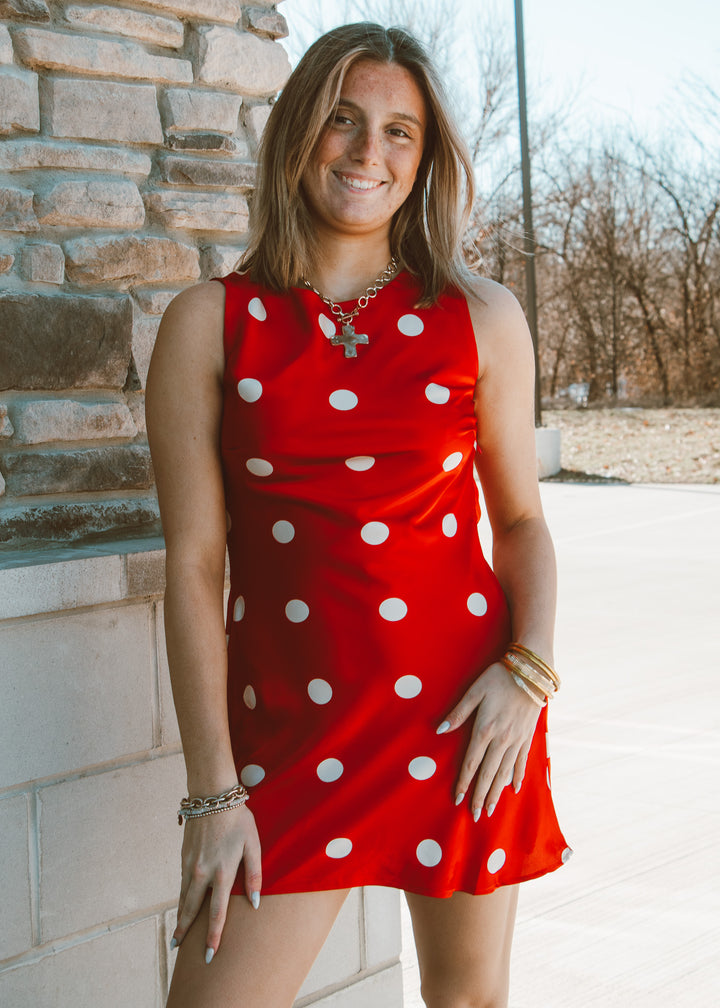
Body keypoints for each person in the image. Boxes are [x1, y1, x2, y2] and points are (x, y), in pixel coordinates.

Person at [146, 22, 570, 1008]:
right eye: (343, 120)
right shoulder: (211, 322)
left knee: (467, 1001)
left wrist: (531, 669)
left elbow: (518, 523)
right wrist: (214, 791)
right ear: (301, 130)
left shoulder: (481, 316)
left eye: (398, 132)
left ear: (424, 162)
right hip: (288, 740)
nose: (367, 152)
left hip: (466, 717)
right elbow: (197, 565)